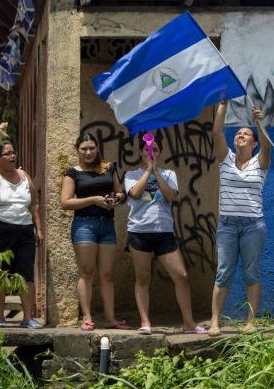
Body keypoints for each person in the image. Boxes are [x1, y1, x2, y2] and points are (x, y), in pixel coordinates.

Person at [125, 136, 206, 335]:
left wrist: (156, 173)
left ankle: (188, 322)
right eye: (146, 150)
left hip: (164, 233)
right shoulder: (131, 174)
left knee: (181, 276)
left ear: (160, 153)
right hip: (139, 231)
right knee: (143, 278)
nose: (150, 153)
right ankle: (145, 322)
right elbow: (135, 193)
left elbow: (170, 196)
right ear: (140, 153)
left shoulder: (169, 174)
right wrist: (148, 171)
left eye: (155, 150)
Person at [208, 101, 269, 337]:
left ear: (253, 144)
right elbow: (216, 133)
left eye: (246, 135)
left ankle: (250, 322)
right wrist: (221, 105)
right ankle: (215, 322)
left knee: (251, 273)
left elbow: (267, 145)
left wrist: (258, 123)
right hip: (226, 224)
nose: (240, 136)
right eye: (238, 134)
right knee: (223, 272)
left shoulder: (260, 162)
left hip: (253, 224)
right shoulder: (225, 159)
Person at [0, 122, 43, 329]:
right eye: (7, 153)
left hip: (24, 230)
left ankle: (28, 318)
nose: (12, 156)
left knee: (26, 274)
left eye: (13, 152)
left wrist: (38, 229)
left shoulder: (24, 176)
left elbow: (34, 203)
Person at [60, 133, 127, 331]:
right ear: (77, 150)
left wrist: (116, 199)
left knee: (107, 274)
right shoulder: (72, 173)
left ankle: (110, 319)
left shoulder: (108, 167)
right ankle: (87, 317)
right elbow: (65, 202)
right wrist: (93, 200)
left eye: (91, 148)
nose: (88, 152)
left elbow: (120, 192)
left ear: (97, 148)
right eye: (84, 149)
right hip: (84, 225)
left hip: (107, 224)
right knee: (87, 272)